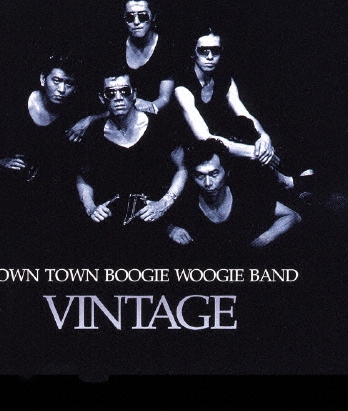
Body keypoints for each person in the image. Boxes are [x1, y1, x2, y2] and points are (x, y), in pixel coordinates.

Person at [0, 52, 85, 259]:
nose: (62, 89)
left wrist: (89, 120)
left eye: (69, 84)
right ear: (43, 79)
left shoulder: (73, 112)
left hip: (41, 210)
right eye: (56, 81)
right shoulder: (14, 103)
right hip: (3, 203)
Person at [173, 26, 314, 198]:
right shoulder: (183, 86)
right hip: (201, 150)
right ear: (193, 53)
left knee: (283, 142)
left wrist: (264, 138)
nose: (210, 57)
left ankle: (296, 184)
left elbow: (243, 113)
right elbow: (205, 137)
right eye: (203, 51)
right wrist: (255, 153)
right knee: (252, 164)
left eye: (215, 51)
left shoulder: (224, 78)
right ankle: (290, 184)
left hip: (227, 140)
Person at [76, 67, 186, 264]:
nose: (118, 98)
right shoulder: (93, 135)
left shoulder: (161, 127)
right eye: (111, 93)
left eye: (124, 91)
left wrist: (164, 203)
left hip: (155, 224)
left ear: (134, 94)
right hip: (110, 228)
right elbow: (83, 178)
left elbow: (182, 169)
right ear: (102, 98)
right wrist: (90, 207)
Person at [66, 0, 178, 142]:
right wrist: (92, 119)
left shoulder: (166, 49)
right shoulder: (114, 48)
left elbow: (164, 98)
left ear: (153, 17)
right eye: (130, 17)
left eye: (143, 16)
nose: (136, 22)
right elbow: (109, 96)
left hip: (153, 116)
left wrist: (147, 107)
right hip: (118, 114)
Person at [167, 139, 301, 257]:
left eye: (214, 174)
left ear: (227, 172)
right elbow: (165, 221)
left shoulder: (246, 196)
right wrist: (172, 229)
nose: (208, 183)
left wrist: (265, 238)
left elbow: (292, 216)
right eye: (200, 176)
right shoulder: (187, 199)